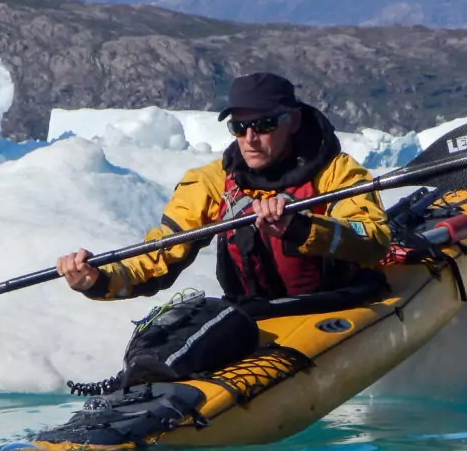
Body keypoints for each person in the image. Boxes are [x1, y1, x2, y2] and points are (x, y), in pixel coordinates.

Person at [56, 72, 391, 304]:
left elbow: (373, 238)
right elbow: (160, 253)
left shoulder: (337, 172)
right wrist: (100, 279)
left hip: (336, 303)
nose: (250, 138)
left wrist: (301, 228)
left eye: (264, 125)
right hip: (255, 313)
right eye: (239, 127)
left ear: (292, 121)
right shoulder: (212, 183)